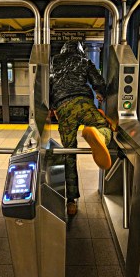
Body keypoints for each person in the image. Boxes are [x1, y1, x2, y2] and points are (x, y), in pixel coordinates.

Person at [49, 40, 112, 216]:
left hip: (63, 107)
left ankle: (71, 201)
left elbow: (48, 83)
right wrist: (101, 93)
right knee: (102, 124)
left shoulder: (54, 62)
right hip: (83, 103)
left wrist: (51, 107)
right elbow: (98, 81)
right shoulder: (83, 60)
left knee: (69, 153)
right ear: (79, 50)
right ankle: (98, 136)